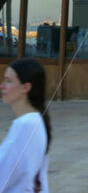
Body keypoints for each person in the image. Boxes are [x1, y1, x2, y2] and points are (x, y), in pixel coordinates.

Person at [0, 58, 51, 192]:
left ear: (26, 87)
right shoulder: (35, 121)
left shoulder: (26, 125)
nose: (2, 86)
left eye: (8, 81)